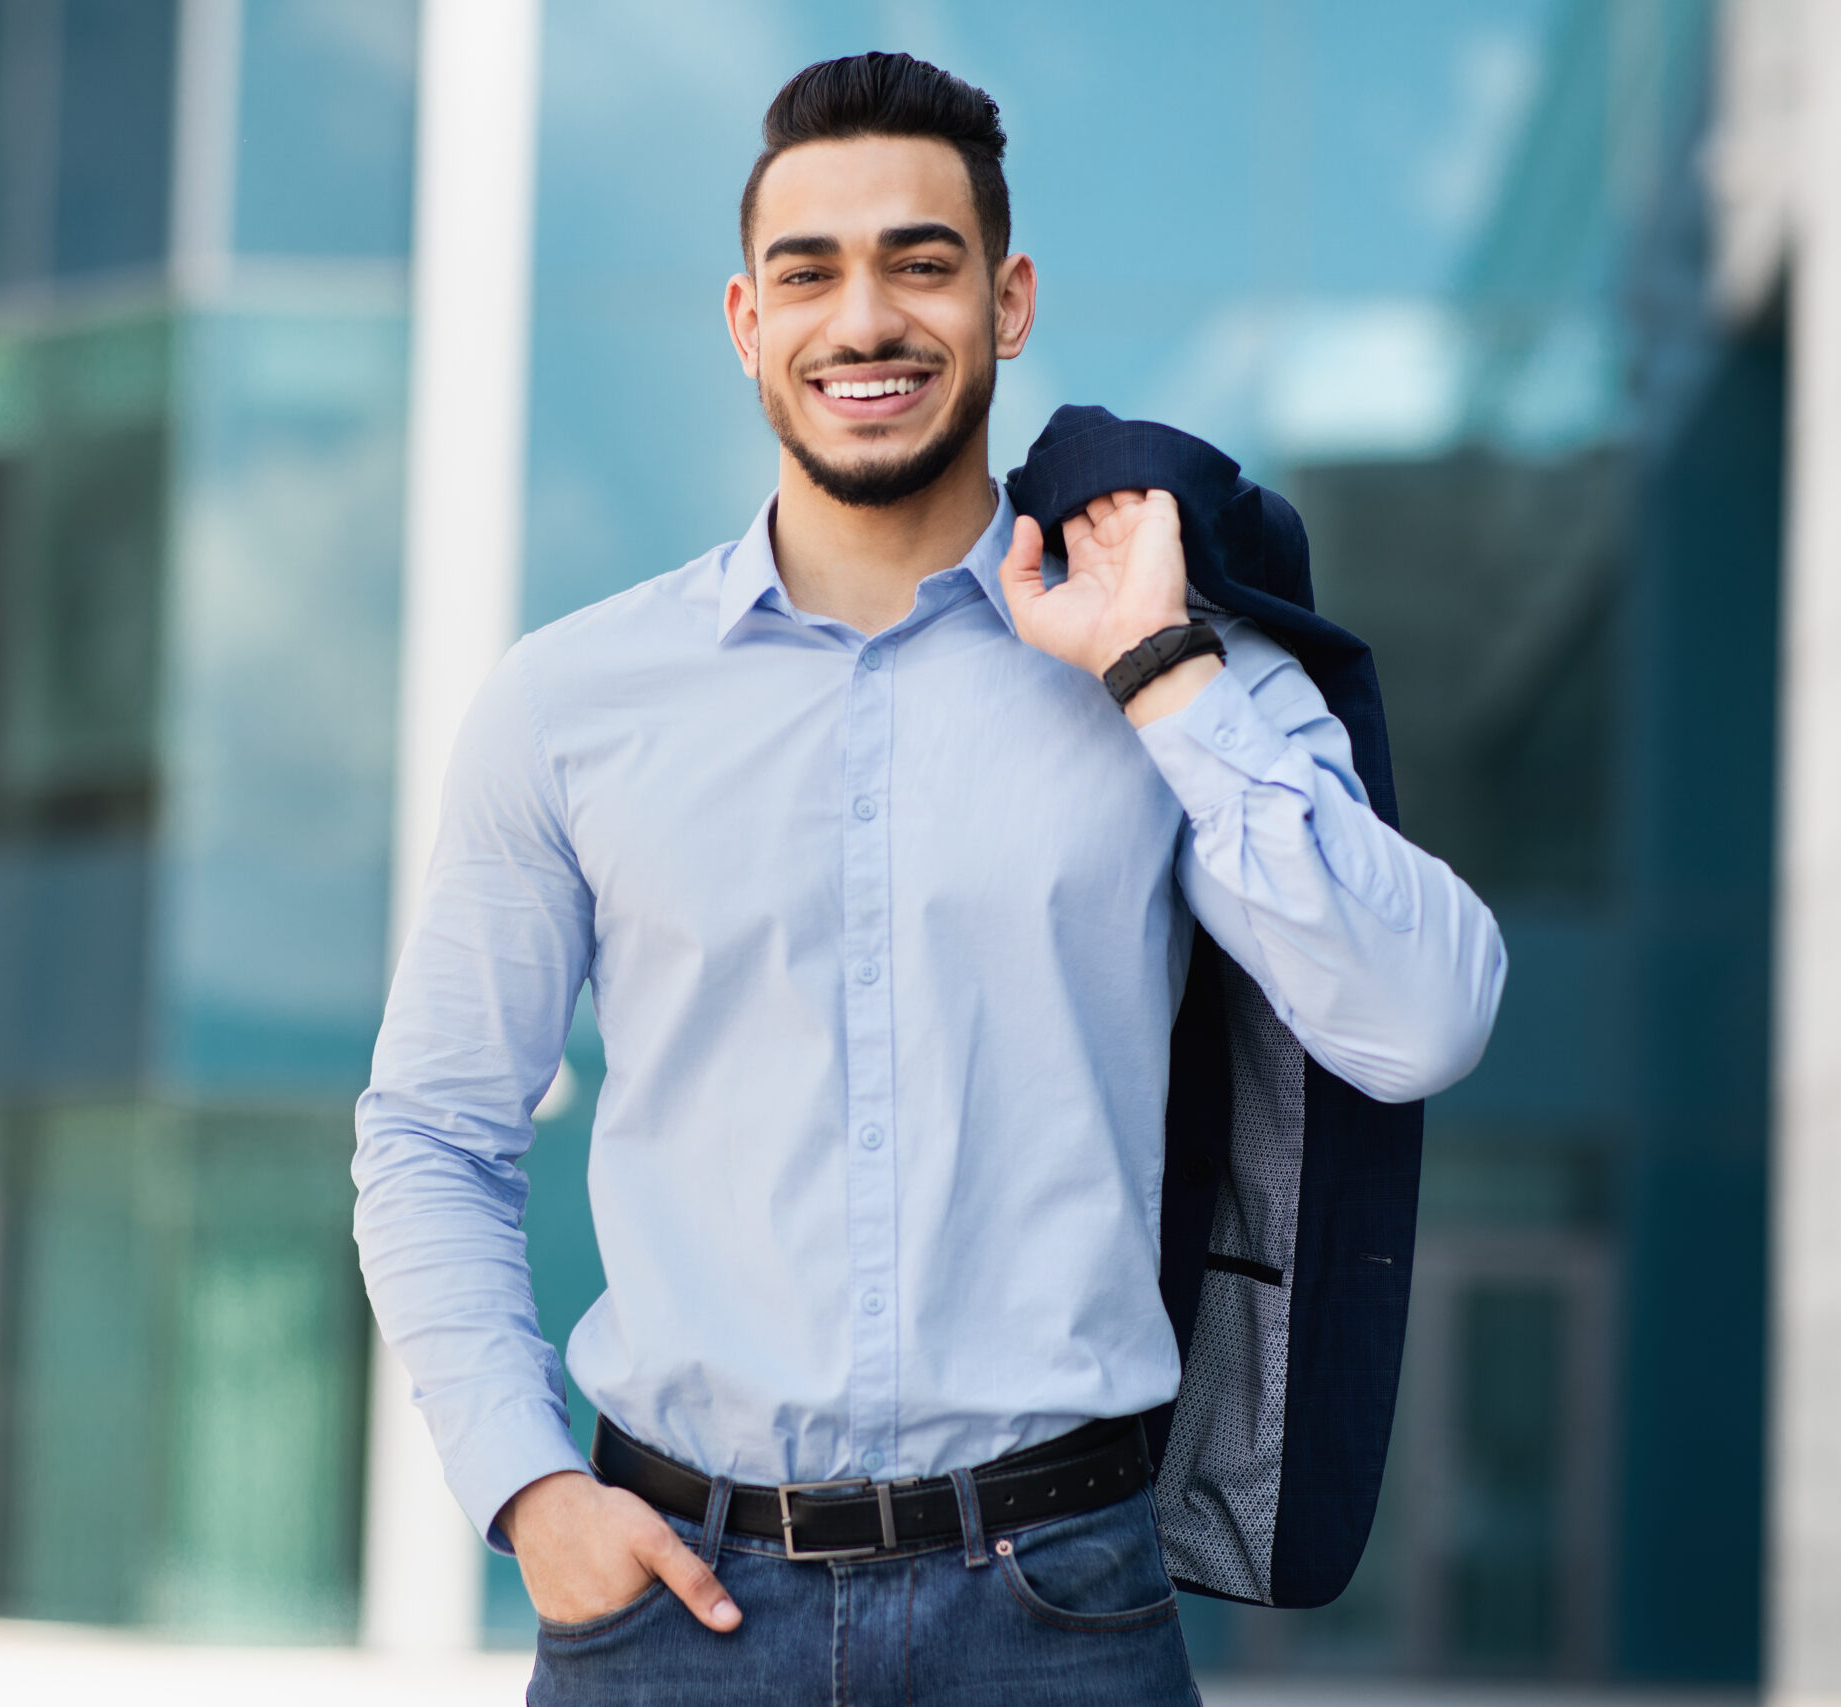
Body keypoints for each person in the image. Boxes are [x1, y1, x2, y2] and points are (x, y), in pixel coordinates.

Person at [354, 51, 1506, 1705]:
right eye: (810, 272)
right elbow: (430, 1133)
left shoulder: (1170, 657)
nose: (866, 318)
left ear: (1008, 299)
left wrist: (1163, 674)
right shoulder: (570, 704)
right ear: (747, 323)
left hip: (1060, 1605)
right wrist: (529, 1493)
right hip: (675, 1617)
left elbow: (1424, 1021)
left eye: (922, 260)